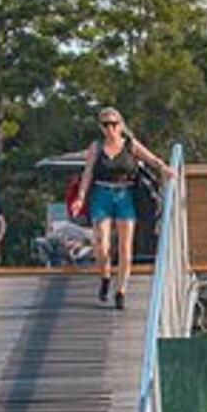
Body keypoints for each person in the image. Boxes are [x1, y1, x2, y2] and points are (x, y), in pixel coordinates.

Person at [70, 106, 172, 311]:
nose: (110, 128)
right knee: (101, 243)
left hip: (125, 195)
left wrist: (165, 168)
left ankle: (121, 291)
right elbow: (88, 173)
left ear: (120, 125)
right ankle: (106, 276)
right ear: (101, 127)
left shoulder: (130, 145)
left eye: (114, 124)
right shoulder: (96, 147)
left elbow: (151, 159)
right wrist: (80, 198)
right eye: (106, 125)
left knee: (126, 247)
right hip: (101, 194)